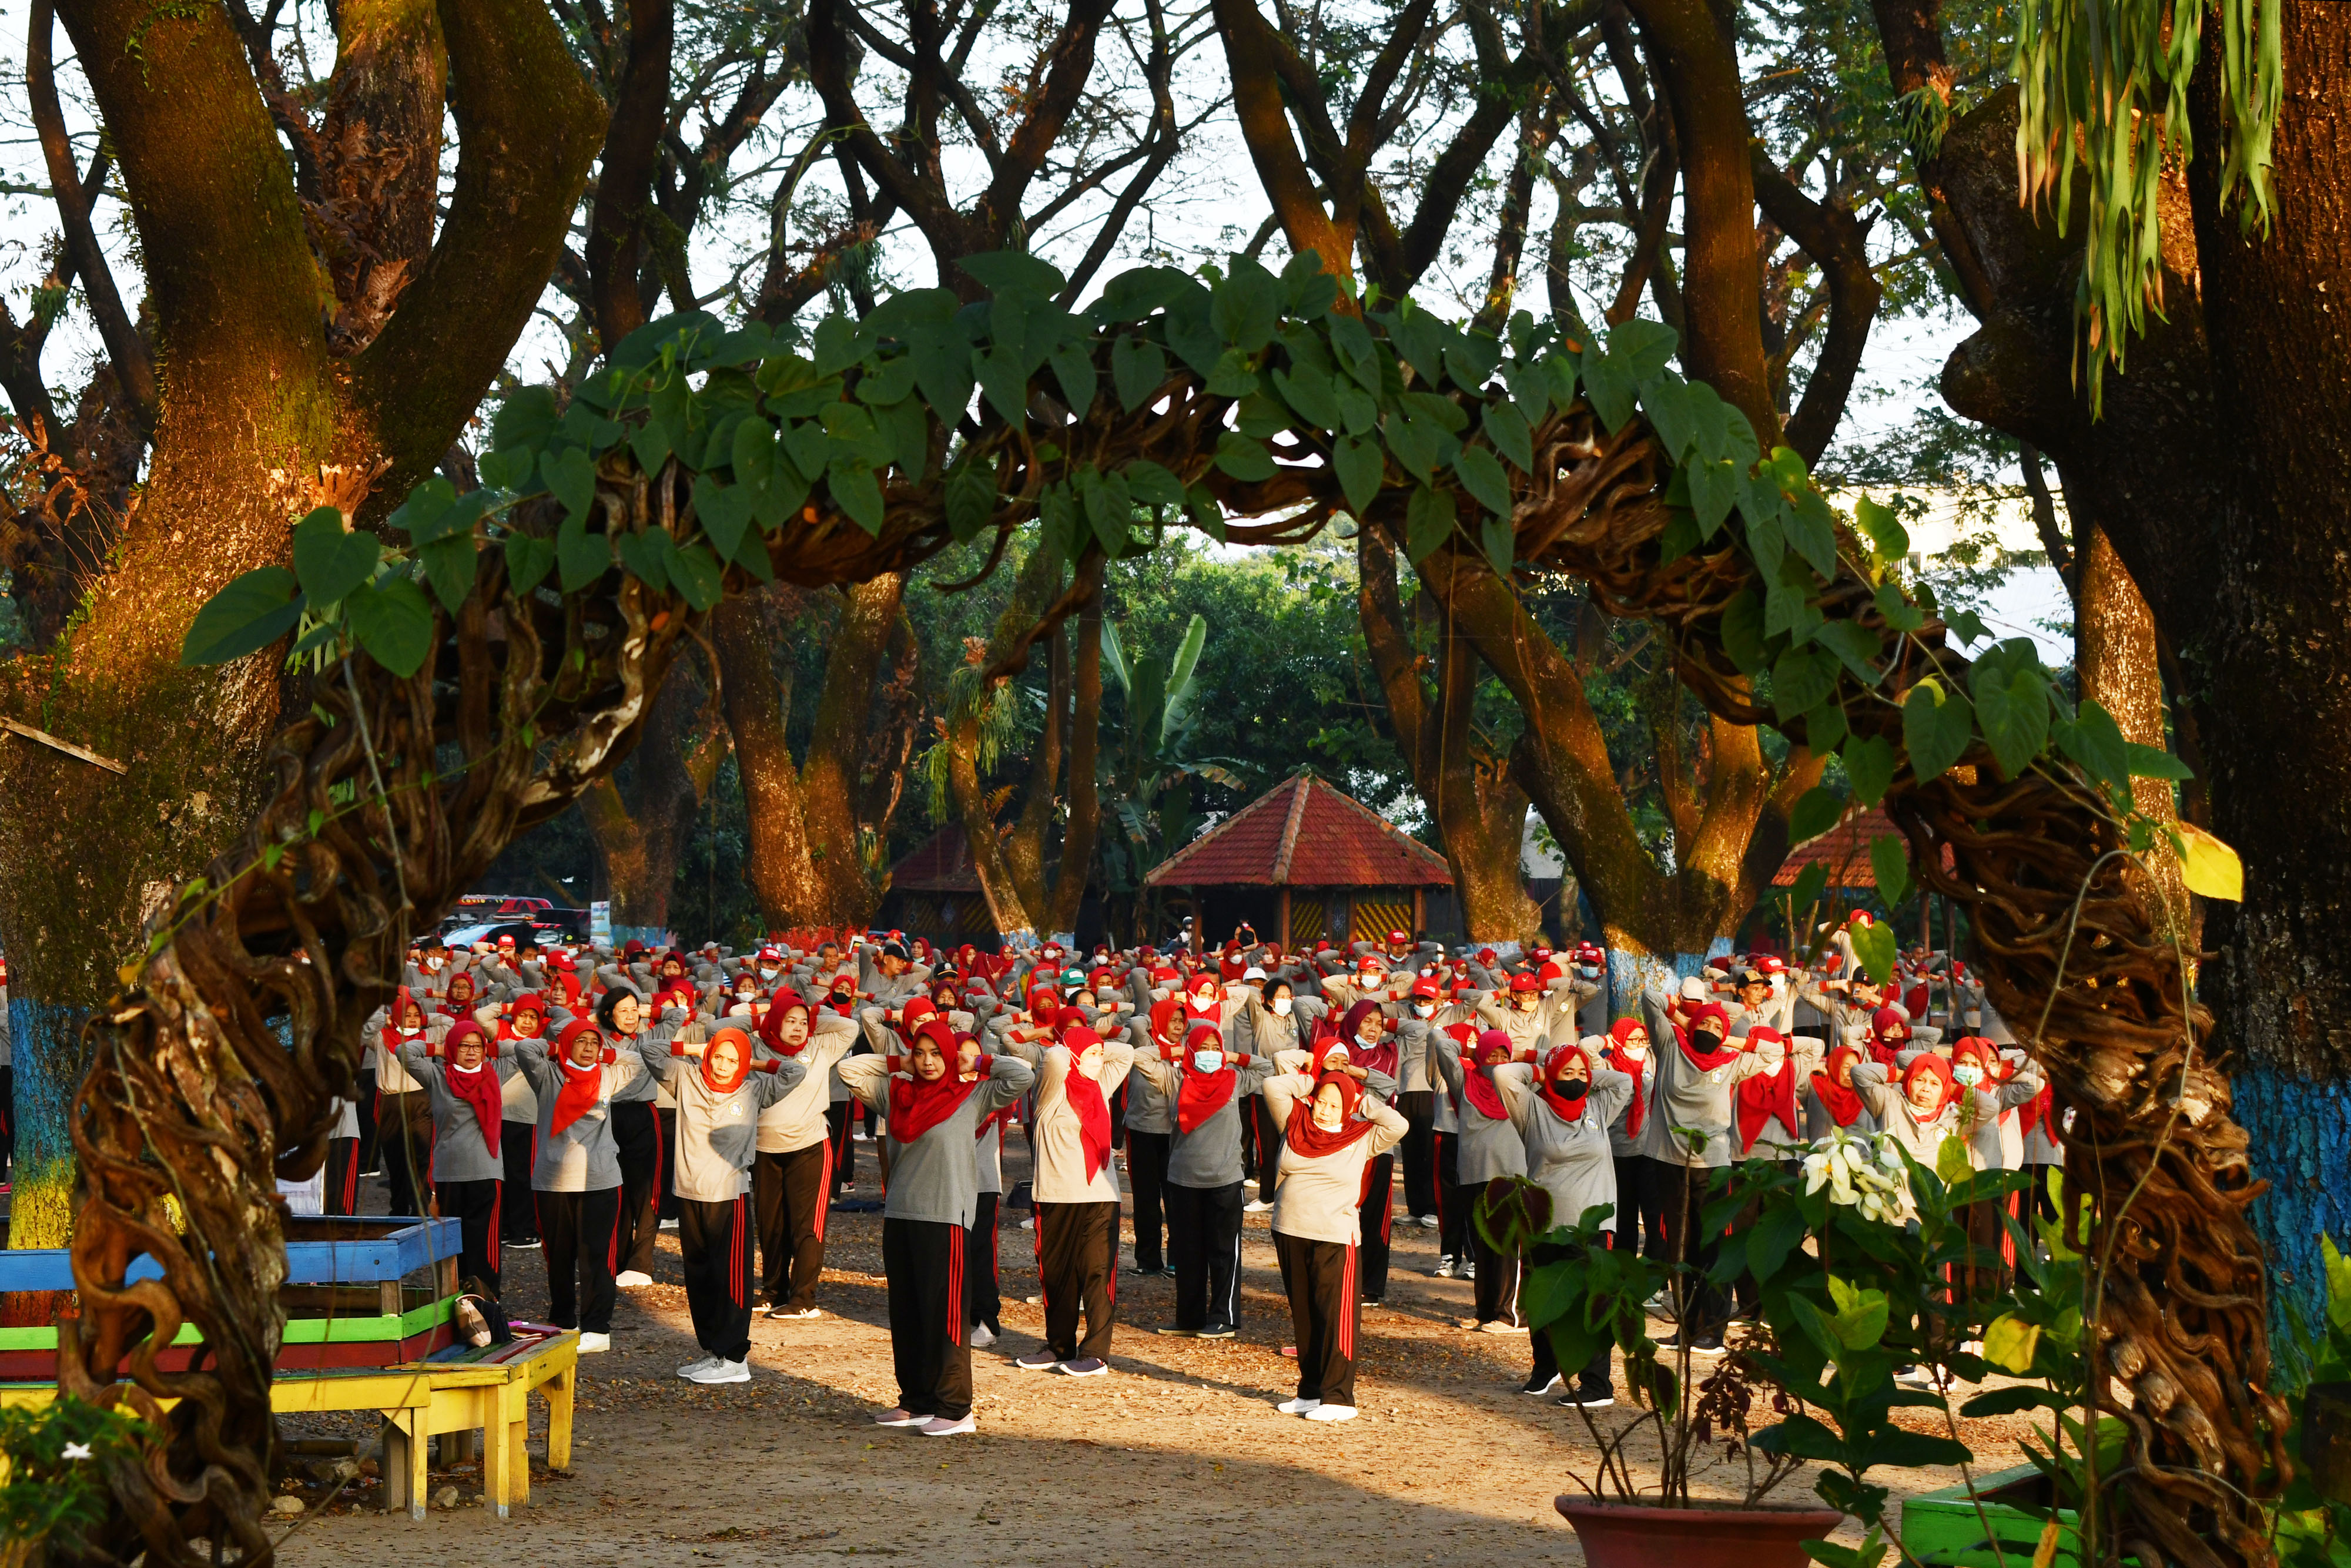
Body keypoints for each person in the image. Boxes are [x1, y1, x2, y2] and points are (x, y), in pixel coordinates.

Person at [838, 1020, 1034, 1436]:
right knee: (907, 1314)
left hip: (946, 1218)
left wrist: (976, 1060)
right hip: (901, 1216)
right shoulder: (897, 1096)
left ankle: (956, 1408)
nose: (928, 1062)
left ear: (950, 1055)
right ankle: (917, 1401)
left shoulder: (972, 1095)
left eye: (935, 1053)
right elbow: (848, 1071)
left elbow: (1022, 1075)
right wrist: (900, 1061)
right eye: (920, 1053)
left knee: (944, 1317)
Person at [634, 1024, 808, 1383]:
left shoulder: (754, 1088)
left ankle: (735, 1357)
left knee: (731, 1277)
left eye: (732, 1060)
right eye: (718, 1057)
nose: (723, 1065)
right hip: (689, 1191)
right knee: (700, 1274)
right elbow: (650, 1050)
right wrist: (697, 1049)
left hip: (729, 1194)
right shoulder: (685, 1078)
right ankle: (714, 1351)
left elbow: (795, 1070)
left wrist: (754, 1064)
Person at [1258, 1066, 1407, 1422]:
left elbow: (1399, 1125)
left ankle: (1339, 1398)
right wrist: (1316, 1077)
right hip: (1291, 1230)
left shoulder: (1361, 1135)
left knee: (1336, 1316)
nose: (1324, 1110)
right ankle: (1311, 1392)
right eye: (1321, 1102)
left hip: (1335, 1237)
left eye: (1334, 1105)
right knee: (1306, 1316)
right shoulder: (1295, 1123)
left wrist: (1360, 1098)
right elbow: (1273, 1085)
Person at [1497, 1041, 1633, 1406]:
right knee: (1542, 1298)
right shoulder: (1533, 1110)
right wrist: (1541, 1065)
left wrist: (1583, 1070)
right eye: (1567, 1073)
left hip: (1593, 1226)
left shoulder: (1597, 1107)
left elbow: (1622, 1081)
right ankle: (1545, 1369)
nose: (1575, 1079)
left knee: (1590, 1301)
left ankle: (1597, 1385)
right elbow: (1504, 1074)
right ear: (1551, 1077)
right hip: (1545, 1223)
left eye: (1581, 1074)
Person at [1128, 1024, 1277, 1338]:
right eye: (1204, 1047)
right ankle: (1189, 1318)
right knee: (1187, 1252)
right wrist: (1179, 1052)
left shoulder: (1234, 1080)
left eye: (1215, 1047)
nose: (1210, 1054)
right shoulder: (1175, 1079)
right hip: (1183, 1179)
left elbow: (1267, 1066)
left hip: (1224, 1179)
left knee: (1224, 1252)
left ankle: (1224, 1318)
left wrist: (1233, 1055)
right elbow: (1140, 1057)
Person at [1003, 1021, 1134, 1375]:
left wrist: (1095, 1040)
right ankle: (1059, 1346)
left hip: (1100, 1197)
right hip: (1056, 1196)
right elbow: (1058, 1057)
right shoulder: (1050, 1092)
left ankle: (1095, 1353)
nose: (1097, 1061)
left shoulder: (1100, 1086)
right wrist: (1066, 1039)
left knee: (1097, 1273)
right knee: (1057, 1276)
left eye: (1098, 1055)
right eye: (1089, 1055)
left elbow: (1126, 1052)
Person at [511, 1017, 648, 1352]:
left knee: (597, 1258)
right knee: (558, 1257)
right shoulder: (548, 1075)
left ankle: (597, 1328)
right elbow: (524, 1047)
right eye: (580, 1042)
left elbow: (637, 1059)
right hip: (553, 1181)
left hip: (600, 1178)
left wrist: (606, 1055)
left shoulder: (607, 1076)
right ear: (567, 1044)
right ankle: (562, 1321)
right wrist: (557, 1047)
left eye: (594, 1043)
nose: (588, 1049)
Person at [749, 989, 859, 1319]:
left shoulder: (820, 1046)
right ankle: (773, 1290)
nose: (797, 1028)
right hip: (764, 1148)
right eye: (789, 1021)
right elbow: (717, 1029)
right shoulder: (755, 1046)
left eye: (802, 1022)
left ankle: (803, 1299)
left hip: (810, 1148)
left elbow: (850, 1027)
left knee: (806, 1226)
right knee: (770, 1225)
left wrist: (813, 1018)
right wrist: (762, 1017)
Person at [398, 1017, 520, 1294]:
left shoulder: (494, 1071)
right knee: (450, 1245)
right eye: (464, 1046)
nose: (471, 1052)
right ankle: (453, 1305)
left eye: (477, 1046)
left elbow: (521, 1049)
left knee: (483, 1246)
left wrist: (492, 1047)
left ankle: (486, 1304)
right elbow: (404, 1052)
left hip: (485, 1173)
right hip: (448, 1174)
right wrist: (441, 1049)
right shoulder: (437, 1076)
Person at [1432, 1027, 1533, 1332]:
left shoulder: (1520, 1089)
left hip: (1510, 1178)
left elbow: (1540, 1068)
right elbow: (1442, 1046)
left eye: (1505, 1056)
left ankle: (1509, 1315)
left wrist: (1523, 1057)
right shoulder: (1465, 1083)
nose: (1499, 1062)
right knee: (1483, 1247)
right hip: (1474, 1176)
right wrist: (1471, 1049)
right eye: (1493, 1055)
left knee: (1507, 1248)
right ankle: (1485, 1311)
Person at [598, 986, 683, 1289]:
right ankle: (618, 1261)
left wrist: (646, 1010)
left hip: (645, 1117)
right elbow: (561, 1026)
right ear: (609, 1014)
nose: (631, 1016)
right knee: (616, 1191)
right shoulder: (600, 1039)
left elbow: (678, 1014)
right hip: (608, 1117)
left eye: (635, 1010)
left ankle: (641, 1263)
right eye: (623, 1011)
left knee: (648, 1193)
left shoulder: (648, 1039)